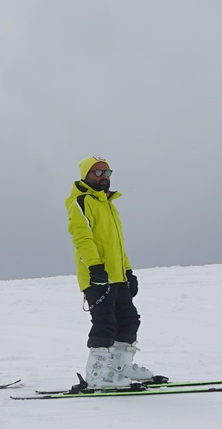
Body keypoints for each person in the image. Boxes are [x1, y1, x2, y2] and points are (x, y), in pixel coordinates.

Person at [66, 155, 157, 388]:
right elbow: (82, 238)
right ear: (85, 175)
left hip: (117, 276)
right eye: (98, 173)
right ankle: (98, 375)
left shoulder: (108, 204)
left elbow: (117, 244)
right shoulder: (81, 201)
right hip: (96, 277)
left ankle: (120, 367)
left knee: (129, 320)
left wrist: (128, 272)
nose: (104, 177)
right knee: (105, 323)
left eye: (107, 173)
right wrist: (95, 267)